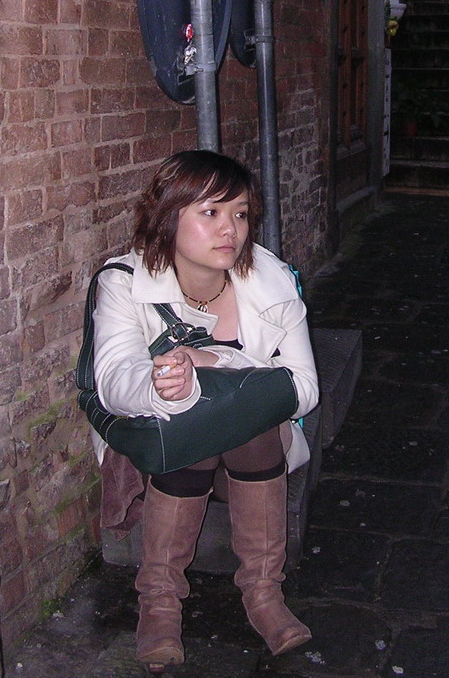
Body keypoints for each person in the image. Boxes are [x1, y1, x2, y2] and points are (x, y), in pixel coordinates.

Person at [90, 150, 319, 674]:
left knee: (249, 424)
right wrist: (162, 387)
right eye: (210, 213)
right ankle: (160, 602)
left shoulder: (271, 280)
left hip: (254, 455)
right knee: (191, 426)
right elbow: (111, 381)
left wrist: (214, 360)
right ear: (169, 217)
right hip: (167, 449)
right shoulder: (124, 282)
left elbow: (304, 388)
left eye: (240, 213)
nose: (231, 230)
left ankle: (263, 593)